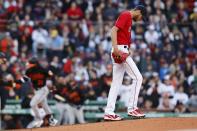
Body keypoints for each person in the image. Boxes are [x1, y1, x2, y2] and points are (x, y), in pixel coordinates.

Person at [104, 5, 147, 121]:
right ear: (138, 11)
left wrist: (126, 48)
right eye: (142, 16)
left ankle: (109, 111)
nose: (141, 19)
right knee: (138, 78)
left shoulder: (128, 17)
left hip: (122, 49)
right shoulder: (126, 15)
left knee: (116, 83)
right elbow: (113, 30)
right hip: (119, 50)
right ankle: (132, 108)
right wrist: (116, 48)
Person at [23, 58, 58, 128]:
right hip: (37, 91)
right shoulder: (29, 71)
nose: (29, 65)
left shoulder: (42, 69)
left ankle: (38, 119)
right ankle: (52, 120)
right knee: (45, 106)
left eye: (30, 64)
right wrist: (15, 83)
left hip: (43, 89)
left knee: (32, 104)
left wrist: (53, 85)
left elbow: (52, 75)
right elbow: (24, 79)